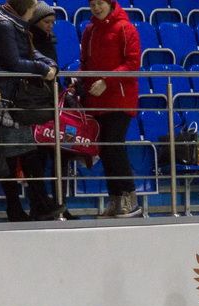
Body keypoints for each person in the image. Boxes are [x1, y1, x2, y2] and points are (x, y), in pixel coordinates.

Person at [0, 0, 61, 221]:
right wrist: (43, 68)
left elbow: (31, 53)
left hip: (11, 98)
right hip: (4, 98)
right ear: (25, 8)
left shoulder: (13, 25)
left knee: (22, 152)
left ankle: (32, 206)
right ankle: (24, 207)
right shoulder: (5, 27)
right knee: (15, 154)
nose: (35, 10)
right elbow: (14, 62)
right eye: (33, 6)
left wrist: (49, 64)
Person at [80, 0, 142, 219]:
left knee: (114, 146)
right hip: (97, 100)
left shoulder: (126, 28)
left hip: (120, 99)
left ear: (110, 4)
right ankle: (115, 200)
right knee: (105, 150)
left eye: (100, 3)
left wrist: (107, 81)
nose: (97, 8)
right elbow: (85, 63)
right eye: (93, 5)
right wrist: (80, 82)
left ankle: (130, 200)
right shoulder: (90, 30)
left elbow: (133, 64)